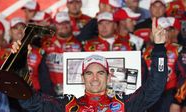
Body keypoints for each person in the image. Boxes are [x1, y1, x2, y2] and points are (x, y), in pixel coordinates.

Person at [11, 17, 168, 112]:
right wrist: (19, 62)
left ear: (108, 77)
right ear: (82, 78)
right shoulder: (68, 105)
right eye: (89, 73)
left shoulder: (122, 104)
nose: (94, 78)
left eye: (100, 73)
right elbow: (29, 102)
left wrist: (159, 48)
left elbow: (154, 89)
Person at [42, 11, 82, 96]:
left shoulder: (80, 42)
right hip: (51, 91)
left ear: (70, 24)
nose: (64, 26)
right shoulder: (45, 42)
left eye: (66, 23)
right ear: (54, 25)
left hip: (75, 90)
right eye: (60, 24)